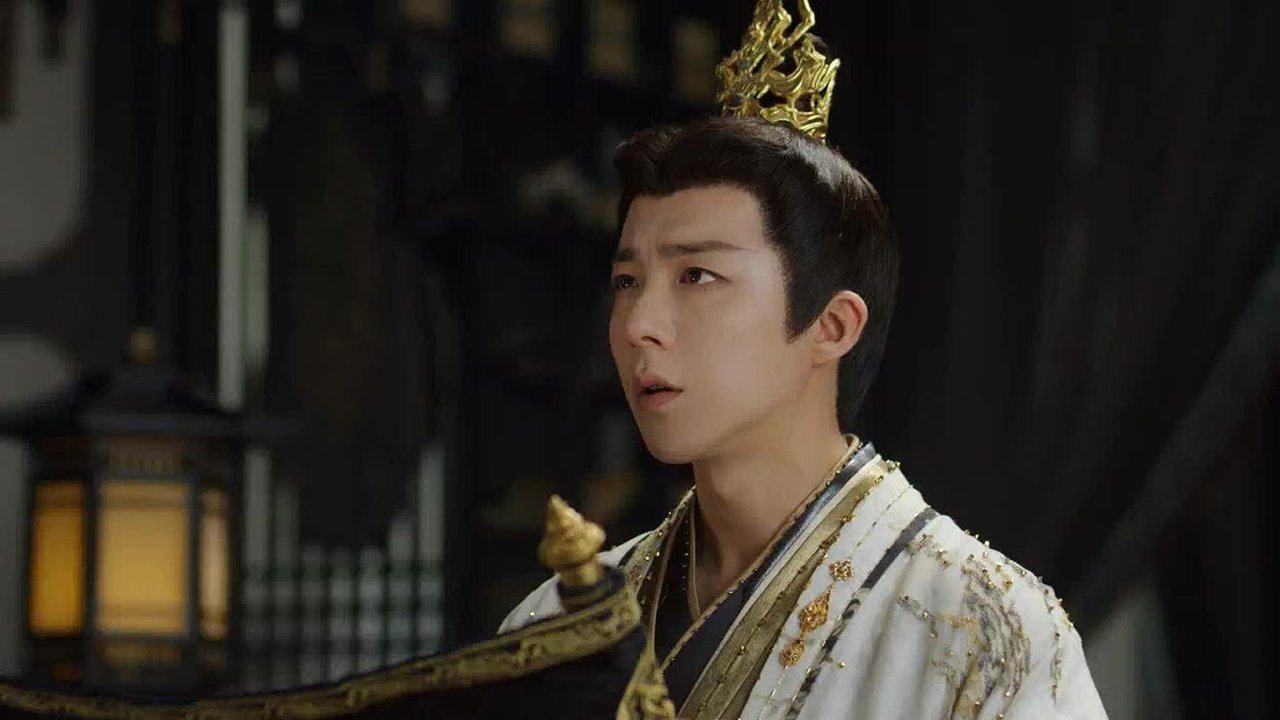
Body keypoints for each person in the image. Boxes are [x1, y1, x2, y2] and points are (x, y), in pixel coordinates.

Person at [501, 1, 1107, 718]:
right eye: (627, 282)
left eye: (696, 275)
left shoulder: (986, 632)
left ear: (832, 325)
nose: (639, 326)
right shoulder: (556, 625)